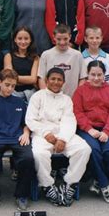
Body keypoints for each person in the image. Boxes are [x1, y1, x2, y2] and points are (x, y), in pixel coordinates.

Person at [26, 67, 91, 207]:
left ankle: (70, 184)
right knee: (38, 154)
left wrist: (63, 138)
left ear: (63, 82)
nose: (56, 82)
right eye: (53, 79)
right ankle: (48, 186)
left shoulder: (66, 99)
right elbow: (30, 119)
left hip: (64, 134)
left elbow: (69, 120)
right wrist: (46, 133)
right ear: (46, 80)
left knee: (84, 149)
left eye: (59, 80)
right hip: (42, 135)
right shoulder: (38, 96)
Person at [0, 69, 35, 212]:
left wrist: (26, 133)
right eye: (7, 85)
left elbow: (26, 123)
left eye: (13, 85)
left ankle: (22, 195)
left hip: (17, 137)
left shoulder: (20, 102)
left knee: (28, 158)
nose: (10, 88)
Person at [72, 61, 109, 203]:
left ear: (104, 75)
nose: (96, 78)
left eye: (99, 75)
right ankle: (105, 185)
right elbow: (77, 112)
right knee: (92, 150)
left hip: (107, 128)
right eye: (93, 74)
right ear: (87, 74)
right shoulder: (80, 91)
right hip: (87, 129)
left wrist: (107, 131)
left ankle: (98, 180)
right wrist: (89, 129)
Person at [38, 24, 87, 97]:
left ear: (70, 37)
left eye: (65, 39)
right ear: (54, 37)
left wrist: (77, 96)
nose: (62, 42)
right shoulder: (46, 55)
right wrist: (46, 97)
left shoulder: (77, 55)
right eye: (59, 39)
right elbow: (41, 78)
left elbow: (83, 78)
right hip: (51, 98)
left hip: (72, 98)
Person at [4, 26, 39, 103]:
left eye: (26, 38)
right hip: (12, 93)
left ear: (31, 40)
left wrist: (16, 78)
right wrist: (27, 79)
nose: (23, 42)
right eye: (20, 38)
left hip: (30, 95)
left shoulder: (35, 57)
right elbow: (9, 77)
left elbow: (33, 79)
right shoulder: (8, 56)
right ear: (15, 40)